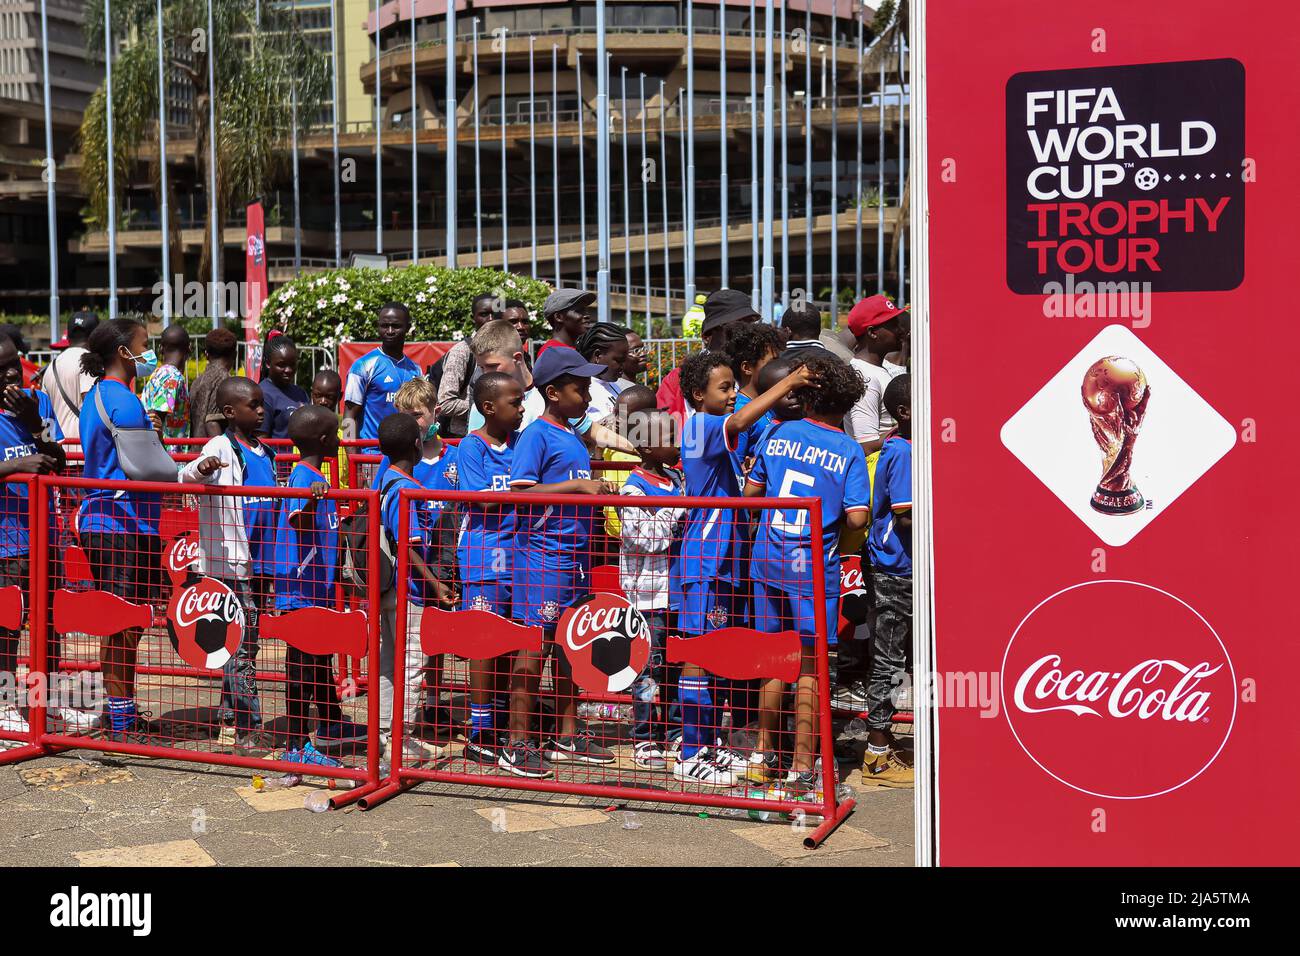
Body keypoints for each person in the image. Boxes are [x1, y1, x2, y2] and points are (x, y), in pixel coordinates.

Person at [670, 349, 814, 786]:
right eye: (725, 387)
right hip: (704, 558)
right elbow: (736, 422)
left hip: (723, 558)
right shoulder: (702, 423)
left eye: (735, 386)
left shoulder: (715, 430)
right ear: (698, 394)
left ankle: (709, 746)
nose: (733, 394)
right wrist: (787, 384)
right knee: (697, 654)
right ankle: (691, 751)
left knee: (713, 654)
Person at [79, 318, 214, 747]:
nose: (148, 350)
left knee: (122, 624)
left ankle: (119, 712)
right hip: (120, 523)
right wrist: (189, 471)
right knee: (124, 625)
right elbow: (152, 469)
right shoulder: (124, 401)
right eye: (143, 344)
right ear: (123, 353)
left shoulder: (98, 395)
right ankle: (121, 722)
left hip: (109, 521)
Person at [745, 353, 870, 792]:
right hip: (813, 569)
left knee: (774, 660)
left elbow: (752, 493)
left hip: (768, 560)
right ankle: (802, 765)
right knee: (811, 668)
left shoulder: (779, 433)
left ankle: (762, 756)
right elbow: (856, 519)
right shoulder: (849, 449)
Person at [501, 347, 618, 778]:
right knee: (533, 651)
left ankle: (566, 735)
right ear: (553, 392)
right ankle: (517, 743)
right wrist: (578, 486)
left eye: (587, 387)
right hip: (541, 561)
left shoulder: (570, 433)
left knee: (571, 646)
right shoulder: (536, 435)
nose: (586, 396)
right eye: (579, 387)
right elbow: (519, 493)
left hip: (574, 561)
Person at [0, 332, 97, 739]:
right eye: (0, 366)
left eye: (14, 362)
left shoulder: (36, 401)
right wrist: (18, 463)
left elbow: (57, 455)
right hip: (5, 543)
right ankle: (5, 705)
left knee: (50, 624)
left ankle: (50, 701)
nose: (9, 371)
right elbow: (27, 461)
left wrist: (31, 425)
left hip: (45, 535)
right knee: (7, 629)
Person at [177, 376, 281, 753]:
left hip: (259, 564)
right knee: (241, 650)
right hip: (229, 568)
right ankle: (247, 730)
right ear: (229, 412)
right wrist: (202, 468)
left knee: (245, 647)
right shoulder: (221, 446)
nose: (260, 410)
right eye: (252, 405)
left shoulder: (266, 452)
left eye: (260, 404)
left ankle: (226, 715)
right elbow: (185, 475)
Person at [274, 404, 351, 768]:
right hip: (299, 591)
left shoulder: (316, 477)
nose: (339, 438)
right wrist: (311, 501)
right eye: (336, 432)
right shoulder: (304, 478)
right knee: (300, 667)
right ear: (325, 440)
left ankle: (329, 726)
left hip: (316, 591)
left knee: (318, 660)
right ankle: (295, 743)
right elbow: (298, 519)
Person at [374, 411, 453, 764]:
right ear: (417, 444)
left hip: (385, 586)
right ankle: (401, 740)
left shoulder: (384, 480)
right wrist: (436, 585)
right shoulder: (410, 488)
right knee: (413, 665)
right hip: (410, 590)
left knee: (389, 663)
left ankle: (383, 734)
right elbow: (410, 544)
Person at [456, 371, 524, 765]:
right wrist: (524, 491)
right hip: (483, 556)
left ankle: (502, 721)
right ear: (488, 407)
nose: (520, 409)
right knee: (484, 642)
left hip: (519, 556)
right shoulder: (471, 447)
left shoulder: (522, 442)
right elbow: (482, 502)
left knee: (511, 642)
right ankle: (479, 731)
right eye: (514, 403)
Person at [617, 408, 686, 770]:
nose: (678, 444)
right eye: (669, 439)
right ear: (645, 448)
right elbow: (648, 539)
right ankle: (643, 736)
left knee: (674, 665)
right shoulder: (634, 487)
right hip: (647, 596)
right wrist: (678, 508)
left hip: (677, 592)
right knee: (647, 668)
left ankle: (674, 729)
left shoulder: (676, 478)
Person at [862, 374, 915, 787]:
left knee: (906, 656)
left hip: (904, 567)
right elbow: (906, 517)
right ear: (904, 412)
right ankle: (876, 750)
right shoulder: (902, 451)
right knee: (888, 657)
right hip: (895, 569)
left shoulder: (906, 446)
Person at [656, 289, 759, 420]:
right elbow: (661, 429)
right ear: (708, 336)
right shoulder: (678, 379)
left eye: (749, 325)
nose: (745, 334)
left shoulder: (757, 372)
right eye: (736, 327)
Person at [344, 302, 421, 441]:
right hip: (372, 455)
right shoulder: (362, 366)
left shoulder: (416, 370)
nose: (390, 331)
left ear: (408, 328)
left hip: (405, 455)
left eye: (396, 326)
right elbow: (349, 416)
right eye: (385, 326)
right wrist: (351, 457)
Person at [845, 294, 907, 455]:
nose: (900, 330)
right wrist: (912, 425)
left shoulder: (875, 370)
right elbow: (866, 446)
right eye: (893, 325)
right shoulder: (865, 377)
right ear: (872, 332)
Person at [433, 293, 500, 438]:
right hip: (461, 438)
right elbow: (445, 403)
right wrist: (488, 407)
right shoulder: (462, 352)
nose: (490, 320)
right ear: (473, 318)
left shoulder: (505, 350)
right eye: (484, 314)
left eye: (495, 314)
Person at [726, 322, 783, 481]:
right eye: (772, 362)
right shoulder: (738, 411)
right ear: (747, 368)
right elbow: (736, 470)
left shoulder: (773, 405)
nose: (778, 368)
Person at [42, 310, 98, 439]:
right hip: (82, 447)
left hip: (59, 447)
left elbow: (44, 409)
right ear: (95, 336)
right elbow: (92, 407)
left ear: (67, 337)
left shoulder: (52, 366)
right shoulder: (89, 362)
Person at [141, 325, 192, 440]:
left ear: (160, 348)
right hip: (167, 452)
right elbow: (155, 419)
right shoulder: (171, 377)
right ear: (190, 348)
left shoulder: (160, 373)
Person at [574, 321, 632, 421]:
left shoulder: (615, 387)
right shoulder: (579, 390)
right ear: (597, 355)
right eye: (619, 360)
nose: (623, 366)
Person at [188, 327, 239, 440]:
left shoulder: (197, 381)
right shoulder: (226, 381)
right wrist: (224, 454)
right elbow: (213, 422)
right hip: (213, 455)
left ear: (206, 354)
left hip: (195, 452)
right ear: (235, 355)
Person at [258, 334, 309, 440]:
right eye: (281, 365)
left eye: (292, 365)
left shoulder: (301, 394)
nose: (288, 370)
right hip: (278, 456)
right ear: (268, 363)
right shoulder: (262, 394)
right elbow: (261, 442)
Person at [310, 369, 349, 488]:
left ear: (340, 396)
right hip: (313, 496)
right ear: (312, 394)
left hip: (343, 499)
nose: (323, 401)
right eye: (318, 396)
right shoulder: (304, 427)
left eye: (329, 397)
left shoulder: (348, 428)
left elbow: (353, 467)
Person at [537, 289, 594, 356]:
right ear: (559, 317)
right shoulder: (553, 353)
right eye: (579, 311)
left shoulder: (573, 350)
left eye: (586, 311)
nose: (587, 316)